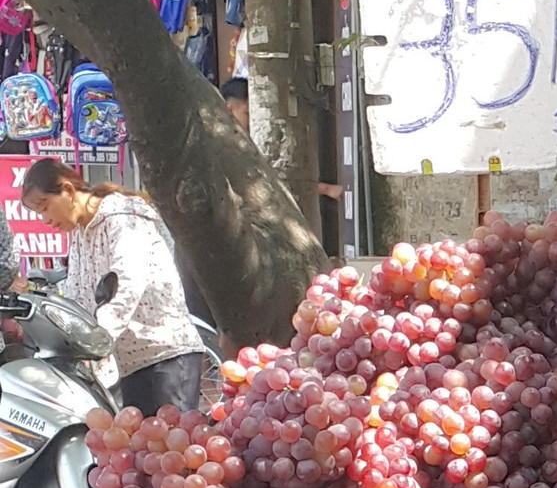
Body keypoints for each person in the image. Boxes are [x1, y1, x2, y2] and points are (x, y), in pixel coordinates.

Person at [20, 159, 204, 414]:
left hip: (165, 353)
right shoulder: (79, 234)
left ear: (68, 191)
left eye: (45, 207)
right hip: (129, 362)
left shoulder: (122, 218)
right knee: (141, 449)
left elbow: (127, 282)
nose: (46, 220)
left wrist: (97, 338)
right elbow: (77, 294)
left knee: (173, 446)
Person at [219, 77, 345, 258]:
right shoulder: (228, 148)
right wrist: (325, 189)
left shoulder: (247, 140)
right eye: (248, 113)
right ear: (230, 110)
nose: (253, 120)